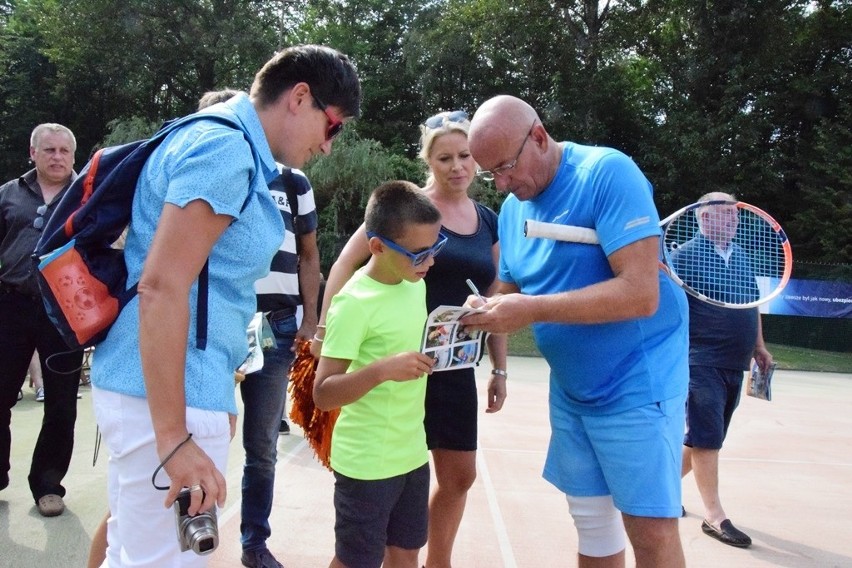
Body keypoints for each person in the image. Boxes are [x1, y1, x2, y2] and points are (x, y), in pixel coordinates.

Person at [89, 45, 360, 567]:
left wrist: (213, 398)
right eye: (334, 127)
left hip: (165, 386)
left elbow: (198, 286)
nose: (328, 147)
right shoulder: (226, 150)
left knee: (134, 552)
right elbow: (163, 287)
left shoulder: (217, 139)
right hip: (166, 396)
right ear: (300, 98)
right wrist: (174, 437)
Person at [461, 95, 690, 568]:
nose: (502, 183)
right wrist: (482, 306)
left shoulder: (607, 173)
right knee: (592, 523)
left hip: (636, 380)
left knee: (649, 530)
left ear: (539, 136)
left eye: (505, 167)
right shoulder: (512, 208)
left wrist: (530, 310)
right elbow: (512, 284)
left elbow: (640, 293)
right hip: (572, 388)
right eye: (491, 175)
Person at [313, 111, 508, 568]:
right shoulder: (407, 211)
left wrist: (498, 364)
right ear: (428, 160)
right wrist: (325, 330)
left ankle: (437, 561)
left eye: (465, 156)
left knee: (445, 489)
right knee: (369, 522)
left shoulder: (485, 222)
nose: (457, 165)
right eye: (446, 156)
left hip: (449, 366)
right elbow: (347, 263)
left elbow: (494, 290)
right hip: (388, 372)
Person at [197, 88, 322, 568]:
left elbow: (309, 254)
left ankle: (254, 543)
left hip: (276, 326)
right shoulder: (209, 170)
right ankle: (186, 537)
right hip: (214, 326)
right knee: (202, 435)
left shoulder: (293, 182)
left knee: (262, 447)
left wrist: (310, 319)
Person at [313, 180, 442, 568]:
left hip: (412, 453)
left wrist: (458, 325)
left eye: (436, 247)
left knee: (406, 555)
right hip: (367, 462)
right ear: (377, 246)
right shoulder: (353, 303)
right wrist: (381, 371)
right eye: (419, 253)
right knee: (357, 562)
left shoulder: (413, 284)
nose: (430, 261)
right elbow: (322, 393)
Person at [675, 192, 774, 548]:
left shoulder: (743, 258)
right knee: (707, 436)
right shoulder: (681, 257)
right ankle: (714, 517)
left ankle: (661, 489)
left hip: (735, 362)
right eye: (724, 214)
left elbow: (753, 305)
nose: (733, 220)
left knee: (705, 436)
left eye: (734, 215)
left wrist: (758, 346)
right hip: (699, 360)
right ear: (702, 218)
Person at [0, 122, 85, 517]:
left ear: (73, 155)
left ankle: (48, 485)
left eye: (64, 151)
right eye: (48, 150)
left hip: (64, 313)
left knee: (63, 404)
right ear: (32, 153)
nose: (56, 157)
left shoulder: (88, 196)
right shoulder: (8, 195)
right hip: (12, 305)